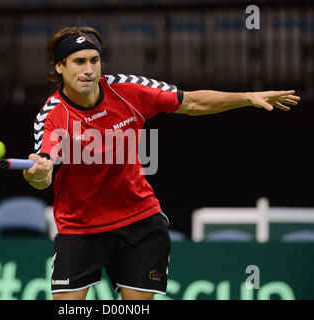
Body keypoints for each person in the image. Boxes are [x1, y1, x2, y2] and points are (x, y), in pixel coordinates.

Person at [23, 26, 300, 300]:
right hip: (80, 228)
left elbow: (191, 102)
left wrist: (247, 98)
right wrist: (39, 173)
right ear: (60, 67)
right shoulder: (52, 115)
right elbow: (43, 174)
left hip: (138, 223)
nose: (89, 69)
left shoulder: (128, 90)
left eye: (94, 60)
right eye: (79, 61)